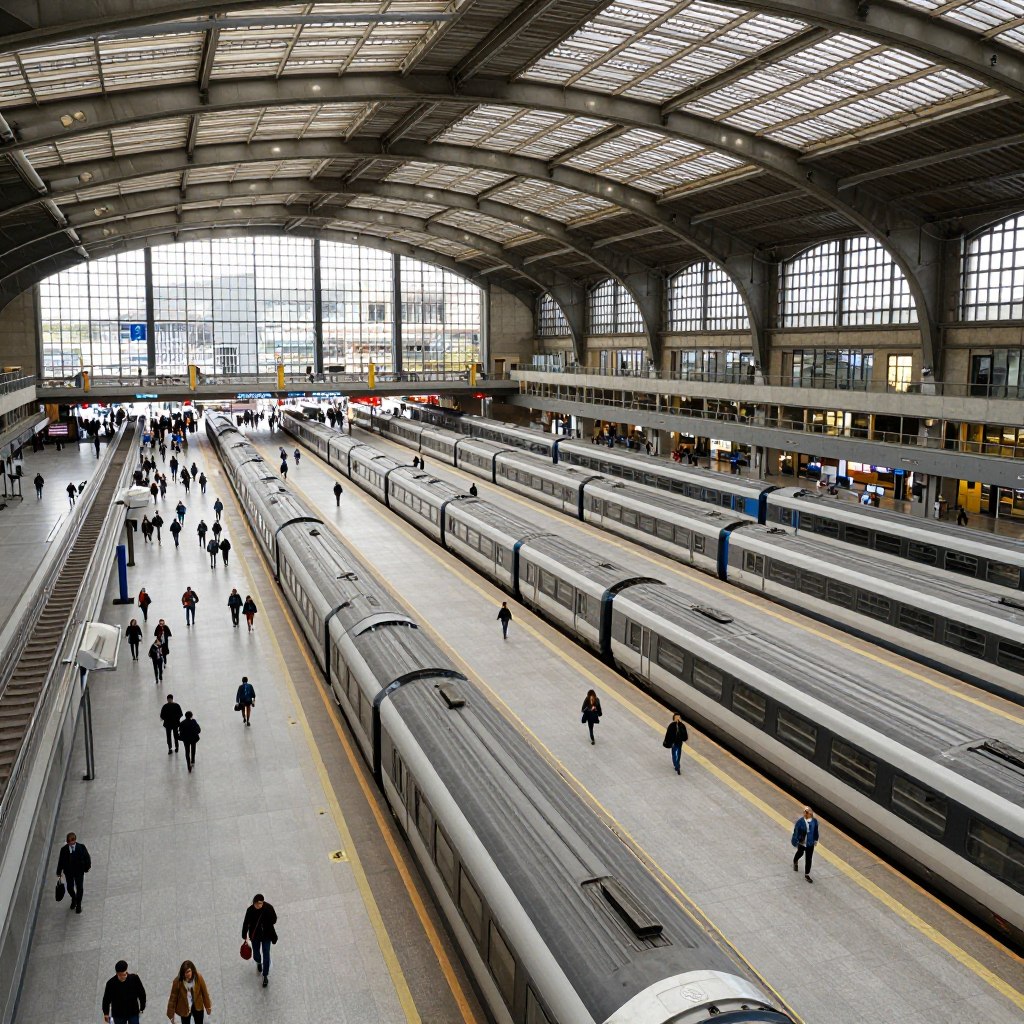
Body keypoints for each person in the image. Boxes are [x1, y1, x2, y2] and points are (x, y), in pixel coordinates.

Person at [242, 894, 278, 987]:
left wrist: (266, 923)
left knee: (266, 954)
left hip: (266, 935)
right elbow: (246, 923)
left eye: (260, 904)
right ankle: (258, 962)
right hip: (255, 936)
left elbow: (274, 919)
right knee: (256, 953)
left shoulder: (269, 908)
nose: (258, 906)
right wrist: (244, 935)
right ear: (253, 903)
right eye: (256, 904)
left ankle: (265, 975)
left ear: (263, 902)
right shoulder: (250, 910)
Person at [55, 831, 91, 914]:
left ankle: (78, 904)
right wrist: (59, 872)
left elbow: (87, 857)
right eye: (69, 842)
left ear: (75, 840)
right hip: (69, 872)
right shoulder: (64, 850)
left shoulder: (81, 847)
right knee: (70, 888)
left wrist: (87, 867)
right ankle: (74, 898)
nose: (71, 843)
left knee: (79, 888)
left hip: (79, 872)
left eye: (72, 841)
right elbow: (61, 861)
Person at [102, 959, 146, 1024]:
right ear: (117, 973)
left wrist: (142, 1008)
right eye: (121, 975)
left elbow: (142, 994)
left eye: (125, 974)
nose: (124, 976)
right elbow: (106, 999)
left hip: (133, 1011)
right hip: (118, 1014)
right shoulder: (111, 984)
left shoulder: (134, 979)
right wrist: (106, 1013)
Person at [791, 806, 820, 883]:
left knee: (809, 859)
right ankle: (795, 860)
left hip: (810, 843)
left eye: (808, 812)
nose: (806, 814)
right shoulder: (800, 822)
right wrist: (795, 841)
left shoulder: (814, 821)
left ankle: (807, 874)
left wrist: (816, 839)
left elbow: (816, 831)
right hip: (802, 843)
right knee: (800, 853)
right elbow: (796, 832)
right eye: (805, 812)